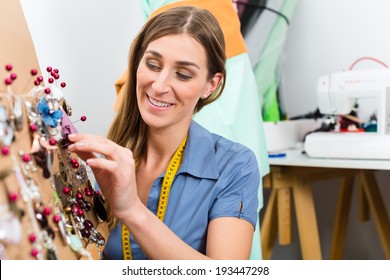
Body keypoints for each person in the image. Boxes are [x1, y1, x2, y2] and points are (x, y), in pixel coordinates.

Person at [68, 5, 260, 260]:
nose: (159, 86)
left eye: (183, 74)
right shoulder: (107, 164)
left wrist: (133, 211)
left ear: (210, 84)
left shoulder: (235, 165)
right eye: (152, 64)